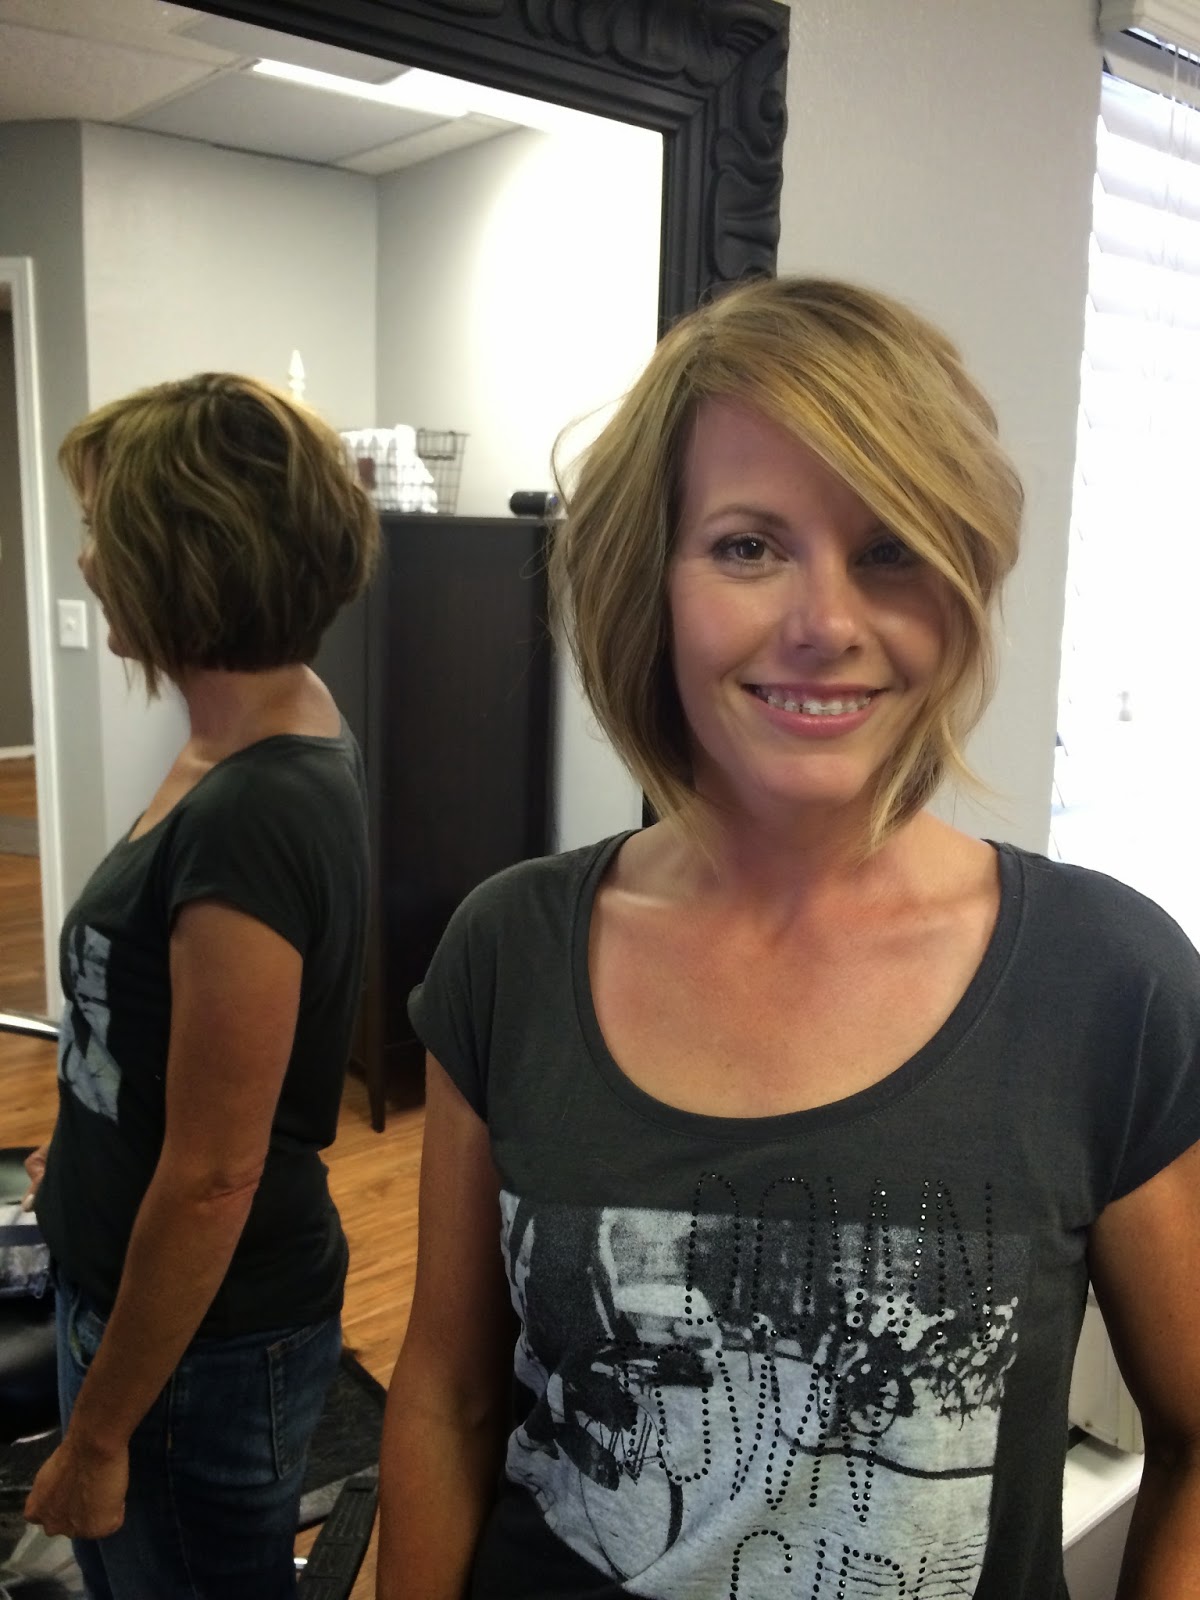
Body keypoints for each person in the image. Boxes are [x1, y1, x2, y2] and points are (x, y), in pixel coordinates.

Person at [376, 275, 1200, 1599]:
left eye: (890, 549)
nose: (824, 624)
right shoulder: (508, 951)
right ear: (651, 579)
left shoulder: (1110, 983)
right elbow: (447, 1395)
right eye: (750, 545)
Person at [21, 372, 379, 1599]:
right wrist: (85, 1140)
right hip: (139, 1288)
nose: (86, 560)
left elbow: (221, 1170)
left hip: (195, 1353)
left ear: (184, 556)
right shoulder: (255, 726)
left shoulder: (256, 805)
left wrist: (96, 1439)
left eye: (102, 531)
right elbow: (165, 1031)